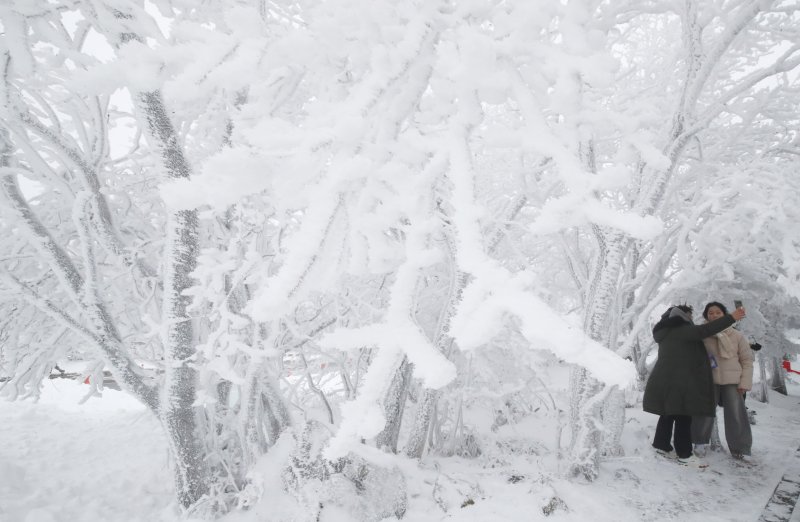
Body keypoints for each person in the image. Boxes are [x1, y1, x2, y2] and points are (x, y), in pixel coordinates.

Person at [643, 304, 746, 467]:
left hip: (666, 381)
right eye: (689, 315)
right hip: (679, 382)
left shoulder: (666, 332)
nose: (691, 318)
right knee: (684, 416)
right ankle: (684, 455)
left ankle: (661, 445)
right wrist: (732, 317)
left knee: (668, 414)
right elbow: (705, 331)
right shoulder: (682, 329)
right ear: (683, 316)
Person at [691, 302, 753, 460]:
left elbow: (746, 360)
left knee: (736, 414)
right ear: (706, 316)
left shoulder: (737, 336)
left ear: (724, 315)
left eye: (717, 312)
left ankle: (741, 448)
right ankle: (699, 443)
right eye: (710, 313)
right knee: (703, 413)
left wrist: (744, 383)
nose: (714, 315)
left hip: (732, 381)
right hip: (708, 380)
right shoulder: (702, 334)